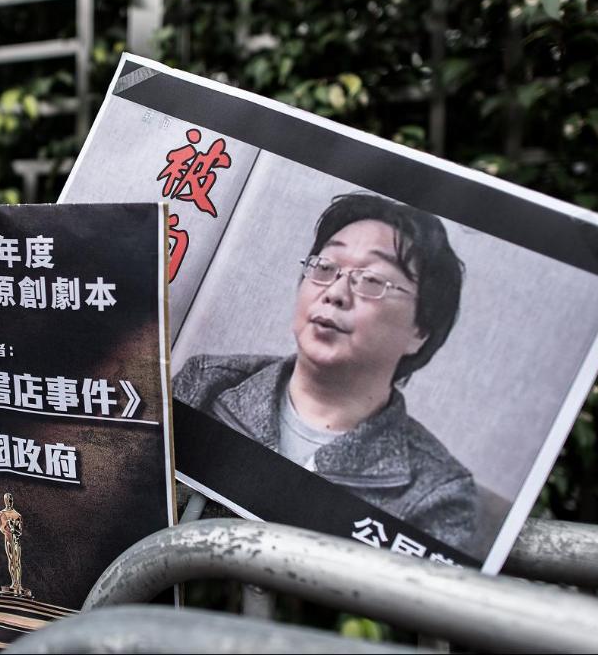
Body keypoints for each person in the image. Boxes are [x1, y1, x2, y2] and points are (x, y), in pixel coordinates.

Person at [174, 193, 477, 550]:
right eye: (325, 267)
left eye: (372, 280)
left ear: (419, 331)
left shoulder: (437, 491)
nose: (335, 292)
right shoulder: (207, 381)